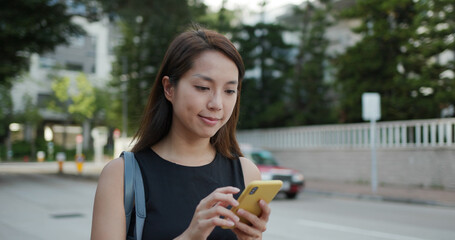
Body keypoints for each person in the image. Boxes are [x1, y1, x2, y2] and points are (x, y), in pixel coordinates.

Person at [91, 26, 270, 240]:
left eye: (230, 90)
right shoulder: (121, 175)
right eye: (203, 87)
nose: (217, 104)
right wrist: (190, 237)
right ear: (169, 88)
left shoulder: (246, 173)